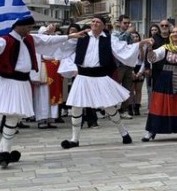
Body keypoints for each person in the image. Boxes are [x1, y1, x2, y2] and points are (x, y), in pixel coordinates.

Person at [0, 17, 79, 168]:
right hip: (9, 81)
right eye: (28, 26)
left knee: (13, 117)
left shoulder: (29, 38)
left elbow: (46, 41)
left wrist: (69, 36)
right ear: (18, 26)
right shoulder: (4, 40)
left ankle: (2, 150)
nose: (30, 29)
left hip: (23, 82)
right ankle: (3, 153)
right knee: (12, 117)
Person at [61, 17, 143, 150]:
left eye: (97, 22)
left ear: (104, 26)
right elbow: (66, 50)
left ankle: (124, 133)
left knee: (109, 107)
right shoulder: (81, 36)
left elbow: (124, 49)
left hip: (100, 76)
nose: (94, 24)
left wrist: (140, 43)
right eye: (93, 21)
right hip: (83, 76)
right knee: (76, 107)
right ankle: (74, 139)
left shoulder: (109, 38)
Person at [141, 26, 177, 141]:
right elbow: (153, 58)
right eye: (173, 32)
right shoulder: (165, 47)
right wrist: (150, 49)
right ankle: (151, 130)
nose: (175, 34)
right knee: (159, 104)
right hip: (165, 79)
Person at [113, 14, 136, 119]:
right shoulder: (115, 34)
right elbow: (117, 45)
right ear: (120, 23)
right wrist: (127, 33)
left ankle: (124, 109)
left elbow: (131, 49)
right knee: (115, 87)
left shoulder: (130, 36)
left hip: (127, 65)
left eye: (128, 23)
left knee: (127, 88)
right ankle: (112, 110)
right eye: (125, 23)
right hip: (118, 65)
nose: (127, 25)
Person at [129, 31, 145, 117]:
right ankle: (130, 106)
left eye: (137, 36)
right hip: (131, 68)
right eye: (133, 37)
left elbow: (144, 61)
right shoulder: (128, 47)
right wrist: (131, 72)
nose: (135, 38)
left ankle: (137, 106)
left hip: (140, 68)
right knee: (131, 90)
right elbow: (127, 60)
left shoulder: (143, 47)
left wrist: (139, 72)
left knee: (138, 89)